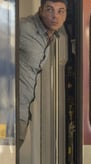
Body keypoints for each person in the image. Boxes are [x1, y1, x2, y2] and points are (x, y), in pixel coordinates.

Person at [18, 0, 67, 148]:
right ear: (40, 10)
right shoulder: (23, 28)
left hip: (22, 113)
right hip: (8, 112)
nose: (55, 16)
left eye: (60, 11)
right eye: (50, 10)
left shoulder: (50, 36)